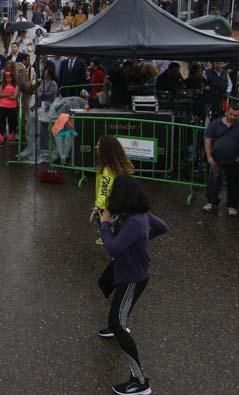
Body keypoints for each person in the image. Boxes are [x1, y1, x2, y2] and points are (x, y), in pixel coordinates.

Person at [97, 176, 168, 395]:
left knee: (118, 323)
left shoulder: (136, 221)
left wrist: (105, 226)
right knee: (115, 314)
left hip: (132, 278)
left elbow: (113, 248)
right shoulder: (138, 215)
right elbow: (162, 227)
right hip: (127, 273)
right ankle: (116, 325)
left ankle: (140, 381)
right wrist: (139, 243)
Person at [202, 104, 239, 216]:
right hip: (216, 159)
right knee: (213, 182)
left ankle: (232, 205)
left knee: (234, 183)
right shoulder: (215, 123)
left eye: (236, 115)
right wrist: (209, 156)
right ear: (226, 112)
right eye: (231, 114)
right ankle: (211, 202)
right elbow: (208, 139)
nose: (233, 117)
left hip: (234, 160)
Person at [90, 135, 134, 243]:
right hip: (117, 203)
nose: (96, 147)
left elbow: (104, 189)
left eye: (99, 145)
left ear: (105, 149)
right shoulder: (117, 165)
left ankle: (110, 242)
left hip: (108, 206)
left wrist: (98, 206)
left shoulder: (108, 169)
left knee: (108, 226)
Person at [0, 69, 20, 144]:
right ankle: (2, 136)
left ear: (12, 77)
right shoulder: (2, 85)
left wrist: (5, 95)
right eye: (6, 77)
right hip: (2, 105)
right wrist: (9, 94)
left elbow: (15, 96)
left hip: (12, 106)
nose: (8, 79)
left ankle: (11, 135)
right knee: (2, 122)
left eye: (9, 77)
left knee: (11, 121)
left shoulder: (16, 85)